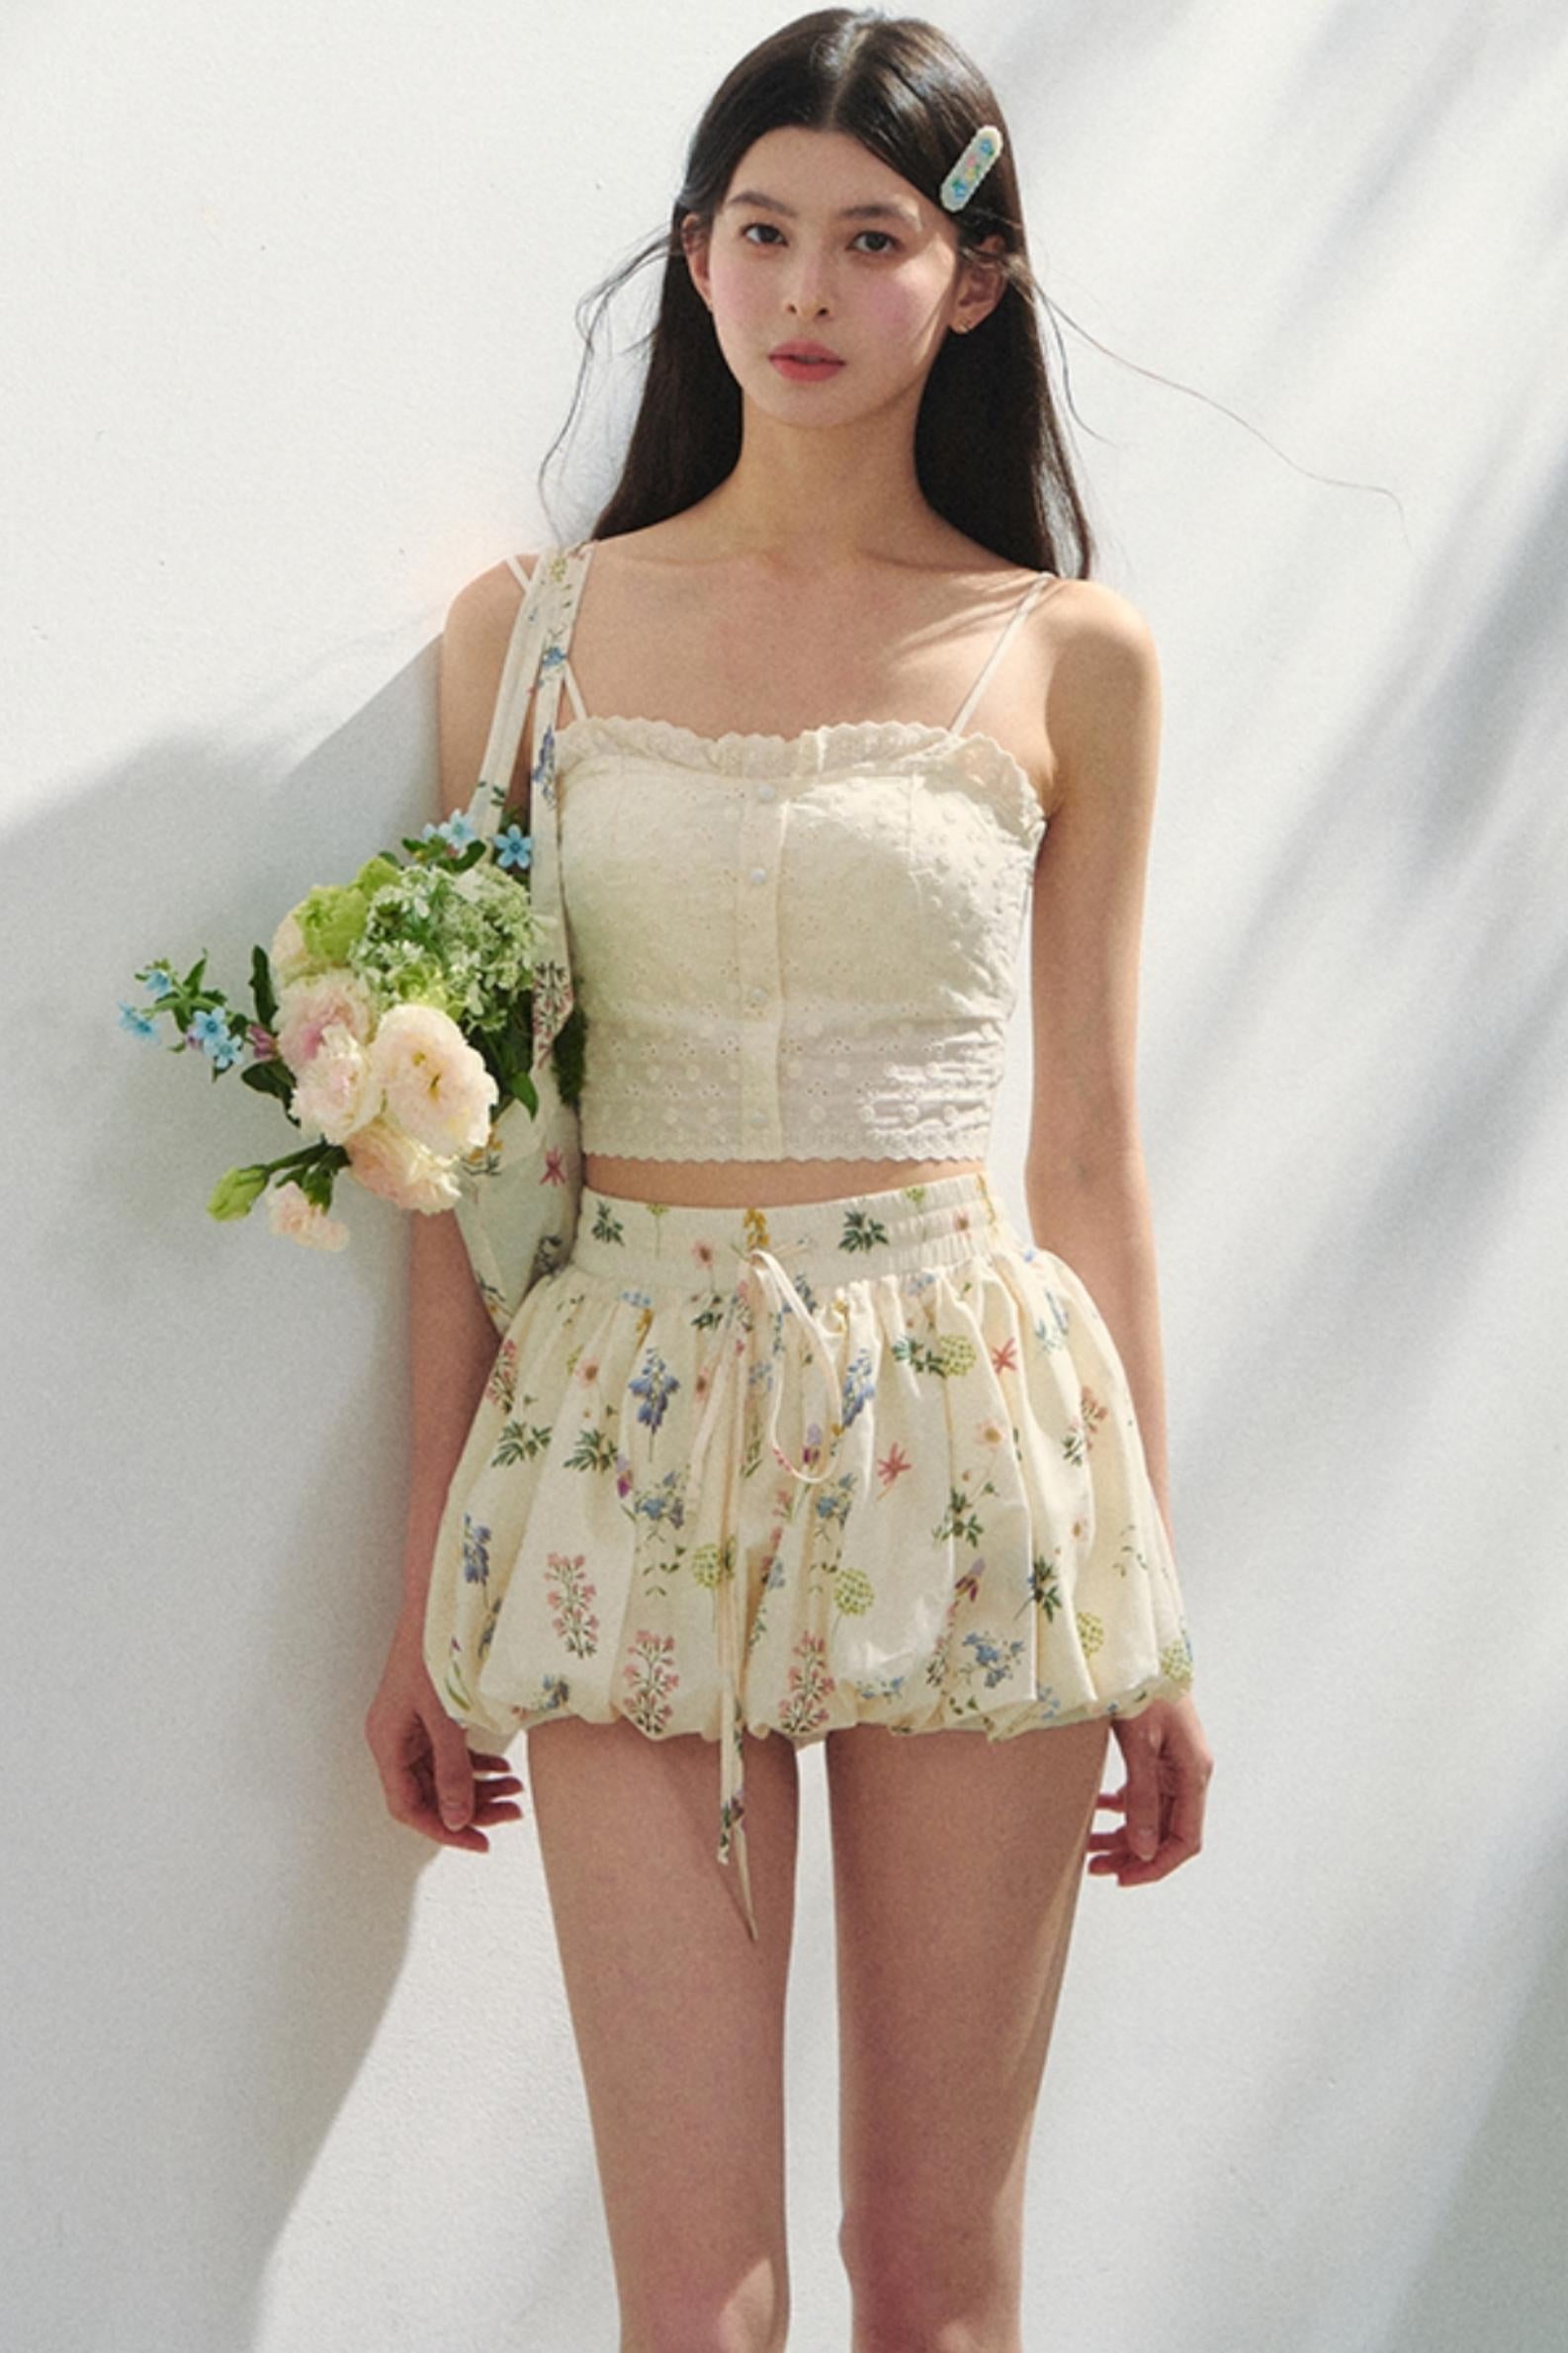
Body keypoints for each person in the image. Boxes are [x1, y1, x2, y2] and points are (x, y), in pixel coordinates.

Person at [366, 10, 1215, 2348]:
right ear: (693, 255)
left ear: (974, 280)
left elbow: (1090, 1148)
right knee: (696, 2298)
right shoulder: (529, 633)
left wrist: (1154, 1609)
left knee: (930, 2280)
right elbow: (456, 1137)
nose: (806, 288)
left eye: (872, 237)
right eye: (761, 231)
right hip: (616, 1421)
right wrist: (425, 1577)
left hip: (971, 1426)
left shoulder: (1069, 654)